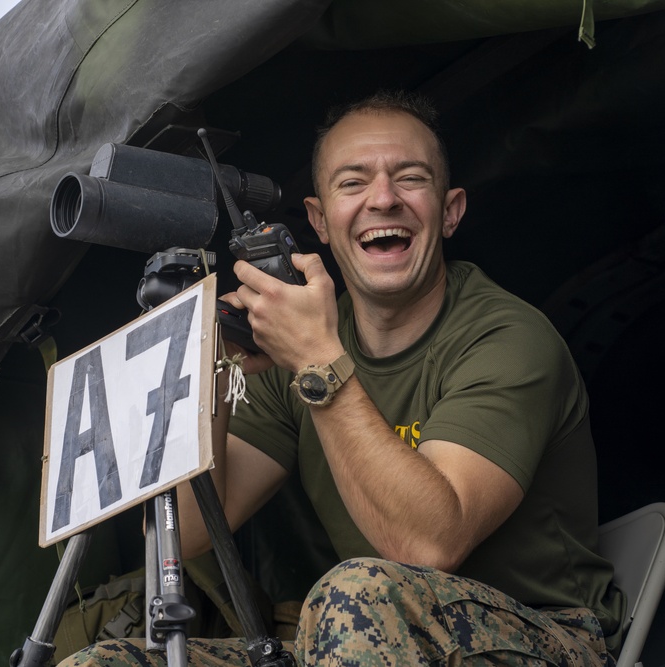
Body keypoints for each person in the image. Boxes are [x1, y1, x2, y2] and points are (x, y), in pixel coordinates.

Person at [60, 90, 625, 666]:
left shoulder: (507, 337)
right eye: (353, 183)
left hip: (544, 640)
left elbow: (428, 545)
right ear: (319, 221)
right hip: (359, 636)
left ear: (450, 211)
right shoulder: (306, 338)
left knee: (355, 593)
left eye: (409, 179)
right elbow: (181, 538)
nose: (383, 199)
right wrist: (210, 368)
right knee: (103, 664)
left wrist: (317, 364)